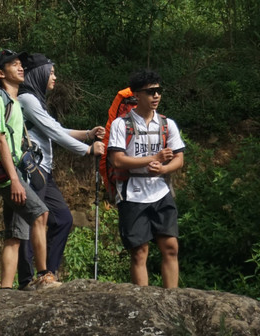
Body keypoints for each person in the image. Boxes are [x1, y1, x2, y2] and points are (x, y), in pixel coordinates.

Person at [17, 53, 105, 289]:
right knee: (33, 222)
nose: (54, 77)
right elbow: (54, 133)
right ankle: (28, 280)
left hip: (43, 170)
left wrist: (87, 133)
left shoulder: (35, 100)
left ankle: (49, 274)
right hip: (32, 171)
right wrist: (87, 150)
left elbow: (55, 128)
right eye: (51, 72)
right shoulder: (26, 99)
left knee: (62, 219)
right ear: (39, 73)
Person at [0, 49, 61, 290]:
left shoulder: (14, 102)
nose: (20, 68)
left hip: (15, 172)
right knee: (40, 214)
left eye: (21, 64)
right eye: (13, 65)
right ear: (0, 73)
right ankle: (44, 276)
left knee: (15, 234)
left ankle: (6, 289)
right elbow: (0, 141)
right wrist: (14, 180)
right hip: (7, 173)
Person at [107, 69, 185, 289]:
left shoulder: (167, 124)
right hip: (132, 193)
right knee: (139, 252)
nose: (157, 96)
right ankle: (144, 304)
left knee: (170, 246)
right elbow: (117, 160)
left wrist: (163, 168)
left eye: (159, 91)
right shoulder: (121, 125)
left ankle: (172, 299)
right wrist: (154, 158)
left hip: (160, 191)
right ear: (137, 95)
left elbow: (179, 159)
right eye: (151, 92)